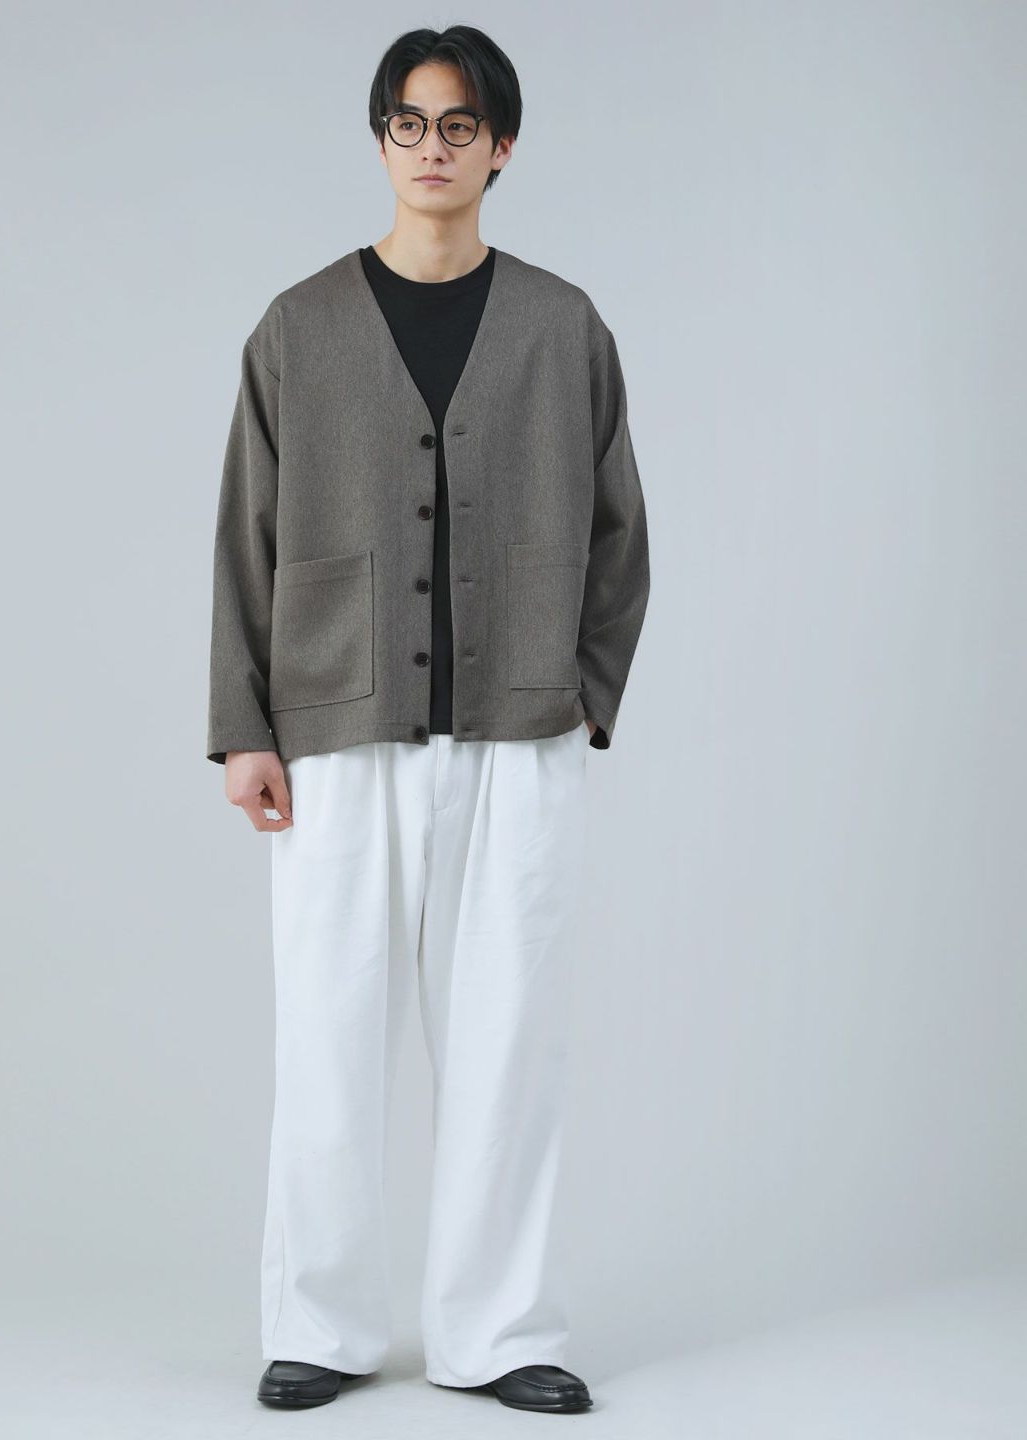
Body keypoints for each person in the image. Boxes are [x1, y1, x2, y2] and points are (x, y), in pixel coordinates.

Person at [206, 23, 650, 1415]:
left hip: (522, 736)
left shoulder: (564, 327)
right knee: (327, 1038)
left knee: (511, 1041)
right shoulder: (298, 327)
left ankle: (499, 1332)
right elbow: (246, 535)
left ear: (501, 146)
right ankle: (320, 1326)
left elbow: (622, 530)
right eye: (409, 122)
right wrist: (246, 725)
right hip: (335, 731)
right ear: (381, 138)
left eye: (460, 125)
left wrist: (582, 695)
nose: (432, 148)